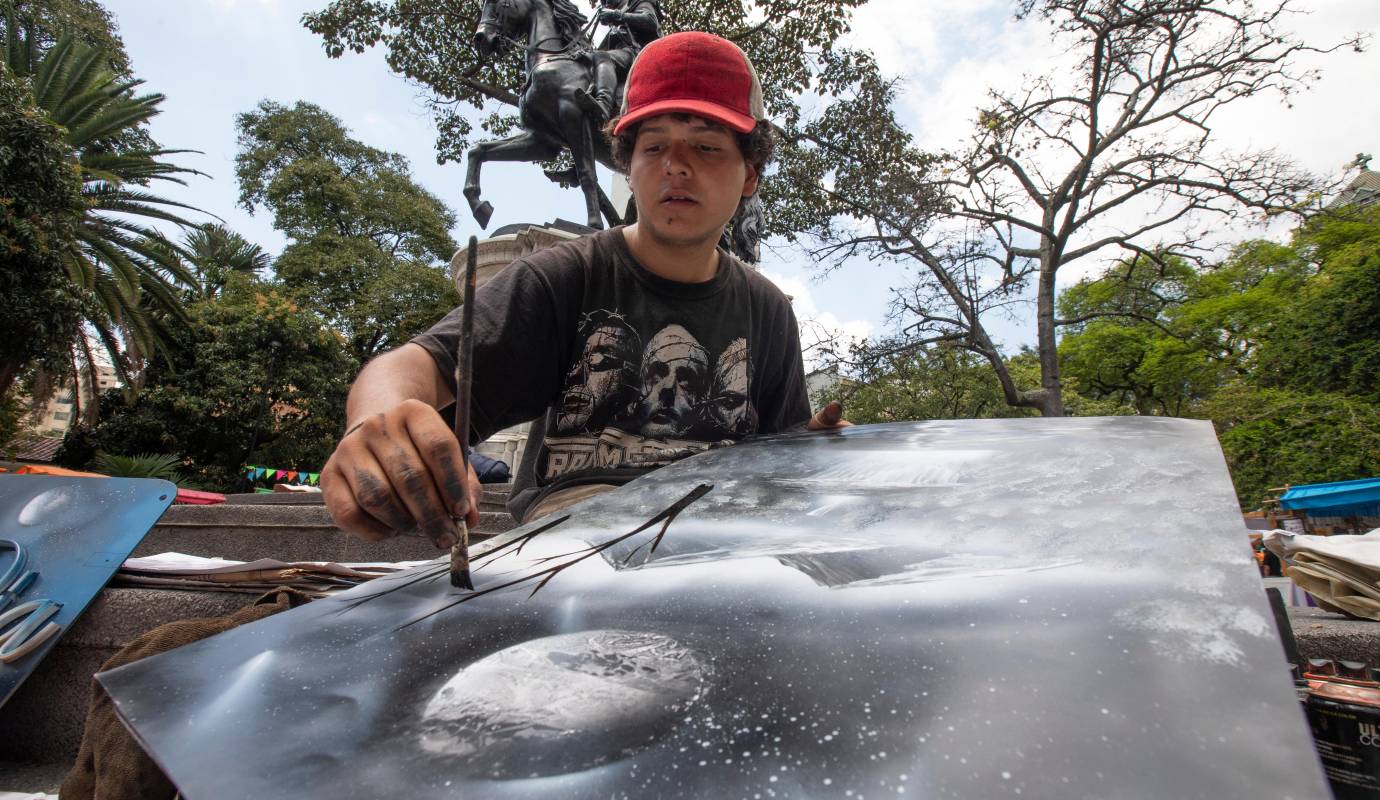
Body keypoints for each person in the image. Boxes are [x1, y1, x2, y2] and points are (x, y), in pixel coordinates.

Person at [321, 31, 849, 548]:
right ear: (627, 161)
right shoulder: (563, 277)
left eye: (707, 147)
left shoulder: (767, 310)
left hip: (723, 542)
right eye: (654, 145)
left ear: (750, 174)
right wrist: (375, 423)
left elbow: (788, 453)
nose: (677, 166)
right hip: (572, 539)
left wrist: (822, 447)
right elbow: (413, 366)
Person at [574, 0, 662, 125]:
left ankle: (603, 103)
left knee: (602, 56)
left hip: (639, 54)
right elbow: (599, 53)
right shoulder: (614, 28)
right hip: (623, 54)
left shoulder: (636, 3)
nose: (605, 2)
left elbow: (650, 20)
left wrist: (616, 15)